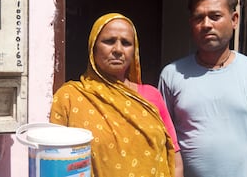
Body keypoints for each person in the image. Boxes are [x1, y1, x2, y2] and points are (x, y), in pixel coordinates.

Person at [158, 0, 247, 177]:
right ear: (191, 23)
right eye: (199, 18)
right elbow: (164, 141)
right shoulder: (172, 75)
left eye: (215, 16)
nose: (206, 24)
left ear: (234, 20)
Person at [50, 13, 184, 177]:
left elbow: (175, 158)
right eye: (109, 41)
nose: (118, 50)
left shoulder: (151, 96)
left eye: (126, 43)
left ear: (134, 51)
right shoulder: (70, 97)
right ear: (93, 47)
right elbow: (54, 161)